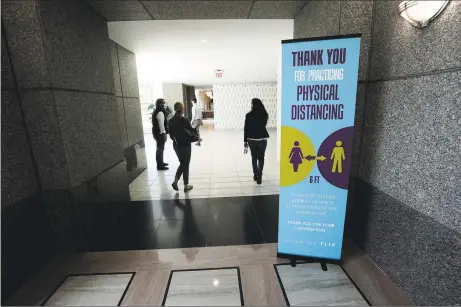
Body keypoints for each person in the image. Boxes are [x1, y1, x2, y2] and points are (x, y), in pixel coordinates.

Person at [169, 102, 198, 192]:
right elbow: (191, 131)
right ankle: (185, 185)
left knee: (182, 163)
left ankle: (176, 181)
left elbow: (170, 135)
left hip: (176, 146)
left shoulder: (171, 121)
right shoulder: (184, 120)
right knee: (185, 164)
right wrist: (196, 135)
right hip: (185, 145)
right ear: (182, 110)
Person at [244, 98, 269, 185]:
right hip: (262, 139)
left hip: (252, 140)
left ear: (253, 104)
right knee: (261, 158)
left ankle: (256, 174)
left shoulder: (248, 115)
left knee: (254, 158)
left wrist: (245, 141)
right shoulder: (264, 114)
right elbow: (263, 125)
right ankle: (260, 175)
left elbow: (246, 129)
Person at [152, 98, 169, 171]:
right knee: (160, 149)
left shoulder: (156, 111)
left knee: (160, 149)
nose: (164, 104)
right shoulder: (160, 112)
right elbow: (161, 124)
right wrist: (164, 133)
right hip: (160, 134)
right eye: (163, 103)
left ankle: (161, 162)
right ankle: (160, 165)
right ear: (159, 104)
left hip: (156, 133)